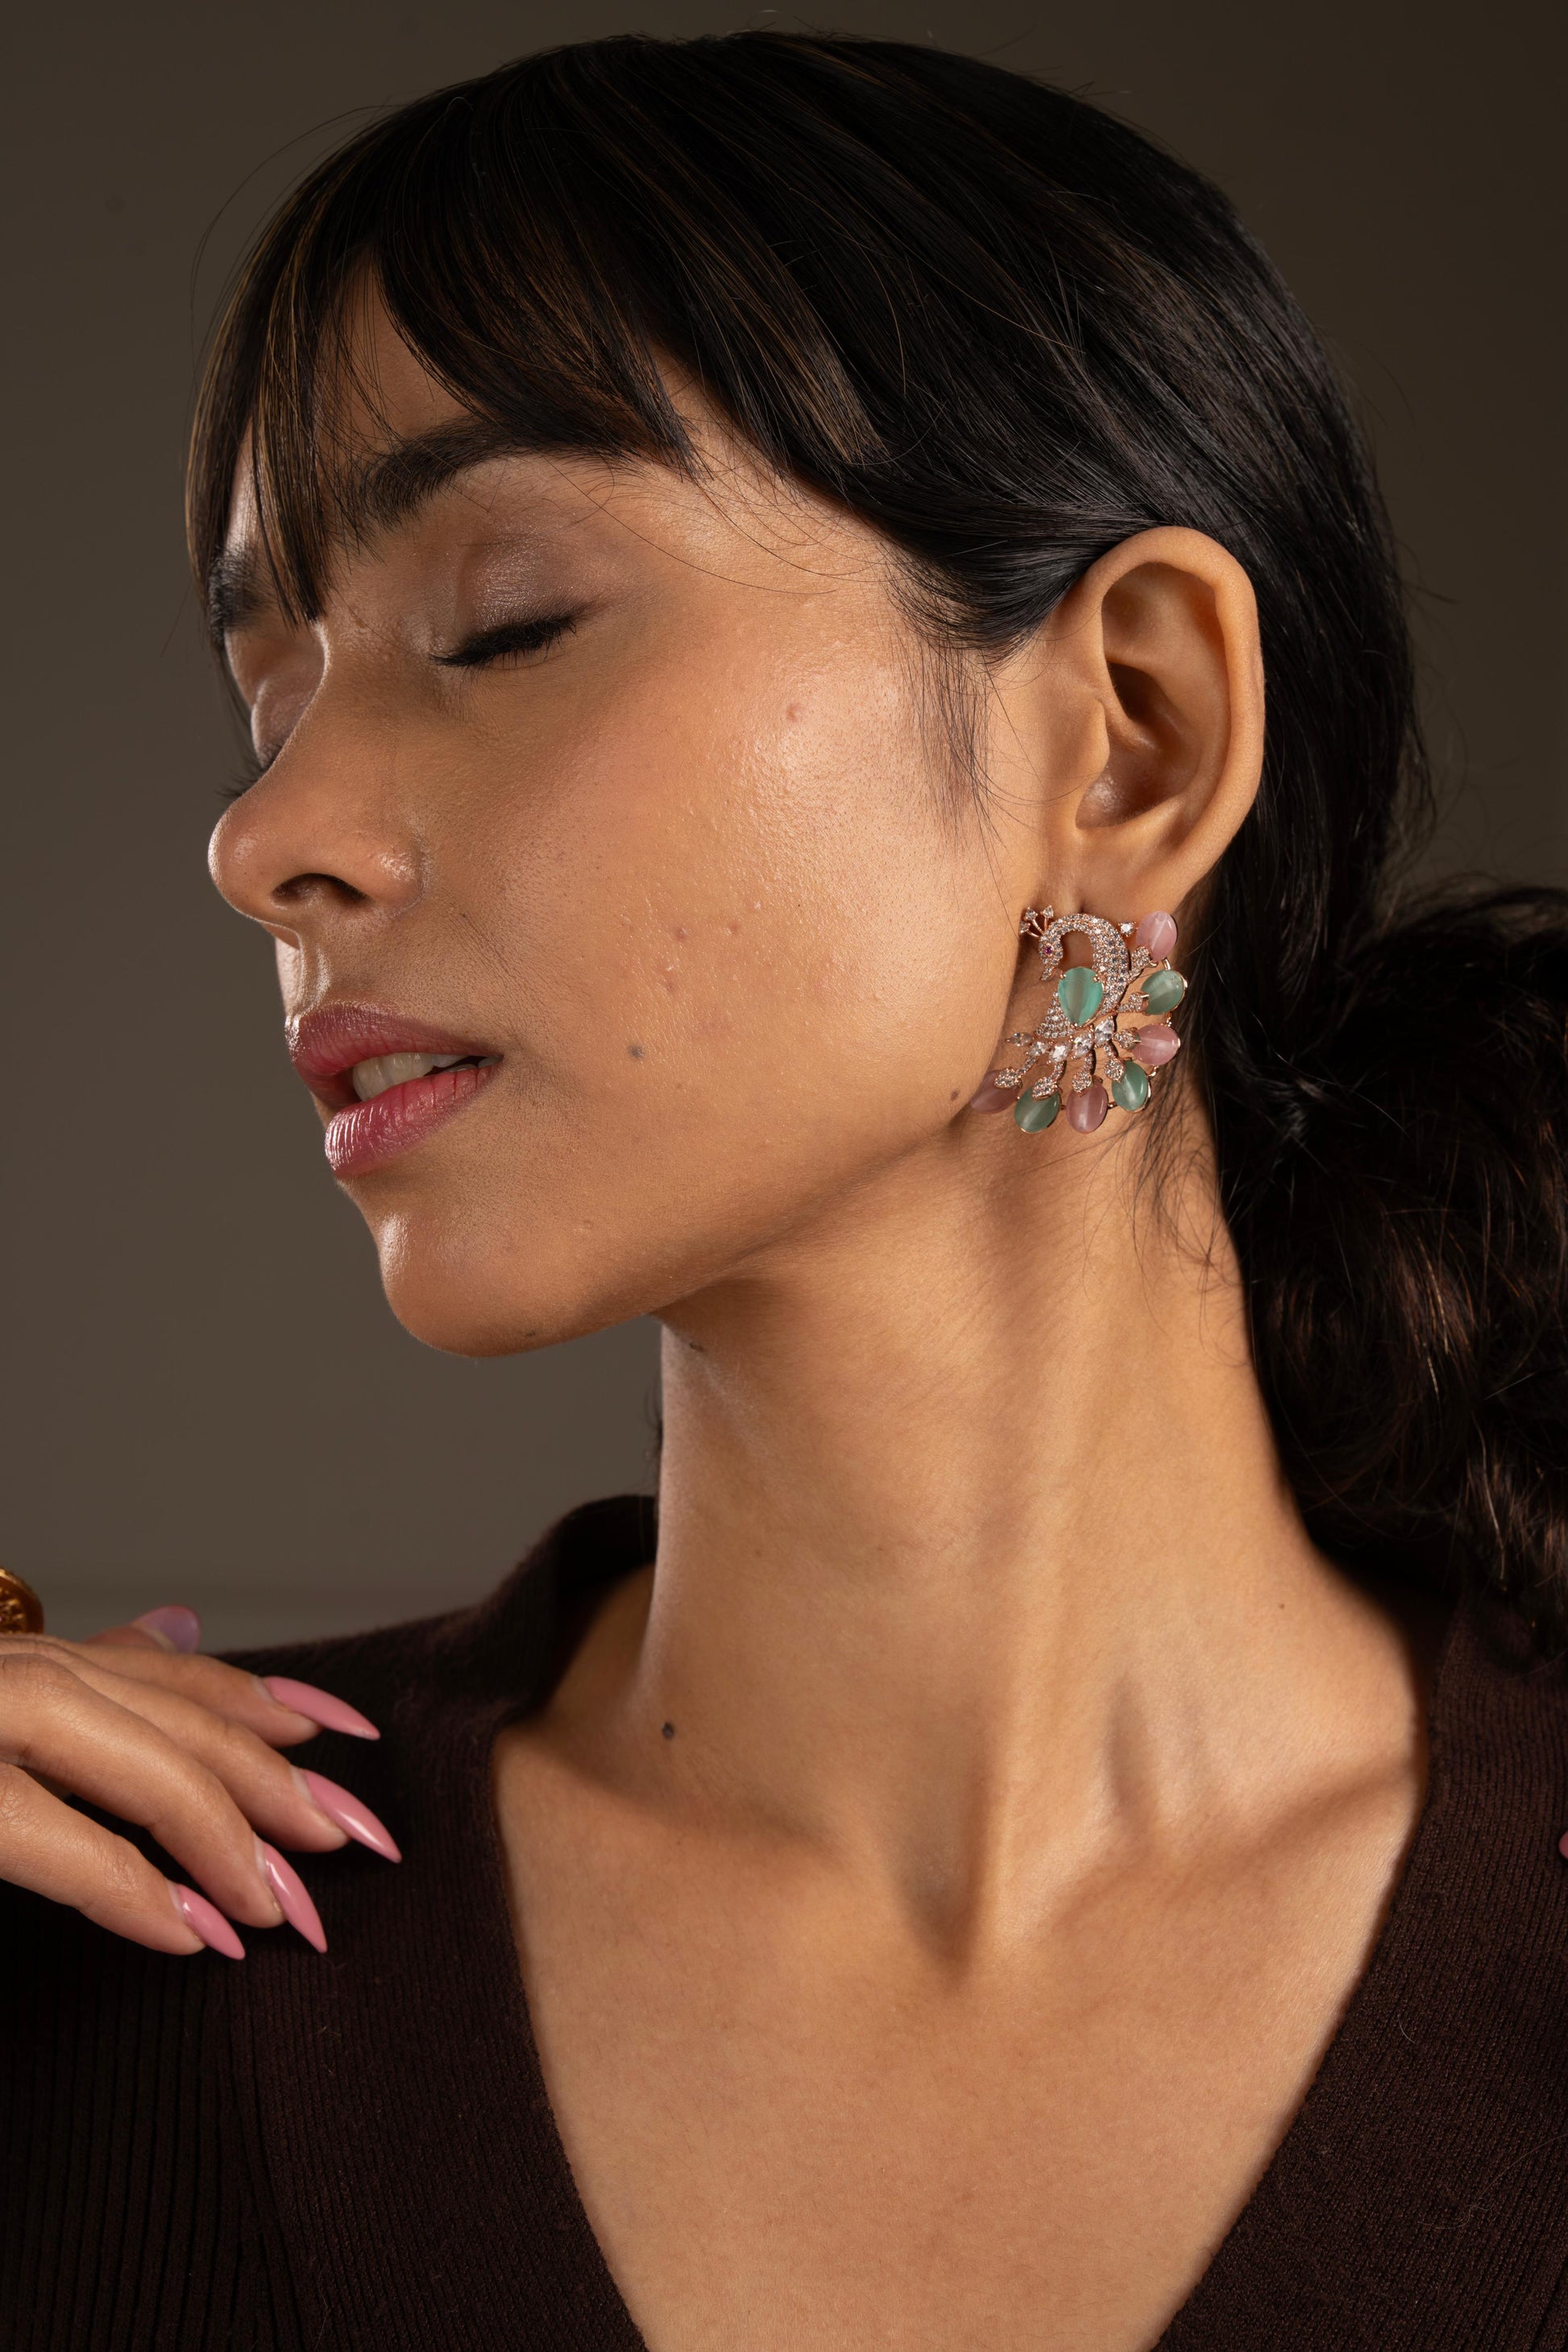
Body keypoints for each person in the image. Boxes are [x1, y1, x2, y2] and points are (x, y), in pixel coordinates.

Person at [4, 31, 1567, 2350]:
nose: (264, 839)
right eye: (271, 704)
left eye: (502, 623)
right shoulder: (108, 1952)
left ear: (1131, 736)